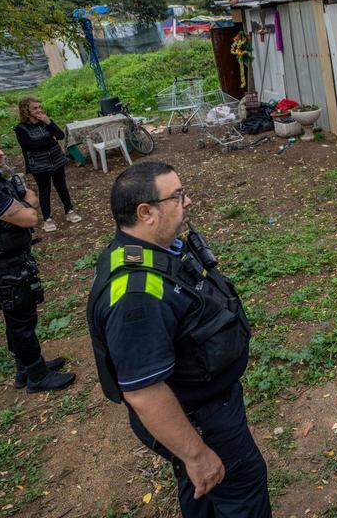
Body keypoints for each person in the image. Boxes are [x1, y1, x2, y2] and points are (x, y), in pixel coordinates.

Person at [87, 161, 270, 517]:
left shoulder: (145, 249)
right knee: (241, 491)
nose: (187, 202)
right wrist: (196, 454)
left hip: (201, 405)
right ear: (146, 212)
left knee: (202, 491)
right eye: (177, 196)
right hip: (200, 419)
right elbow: (143, 392)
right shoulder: (136, 298)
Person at [0, 134, 76, 392]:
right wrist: (28, 202)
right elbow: (29, 218)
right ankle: (37, 377)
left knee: (21, 319)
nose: (0, 153)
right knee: (21, 323)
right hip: (3, 266)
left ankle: (27, 369)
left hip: (11, 260)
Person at [14, 96, 82, 233]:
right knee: (44, 190)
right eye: (35, 108)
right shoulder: (21, 129)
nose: (39, 110)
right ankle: (47, 219)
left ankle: (69, 211)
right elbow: (30, 146)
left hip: (57, 160)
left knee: (61, 186)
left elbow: (60, 136)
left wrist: (49, 123)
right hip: (39, 164)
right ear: (26, 110)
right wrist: (51, 141)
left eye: (40, 107)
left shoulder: (46, 121)